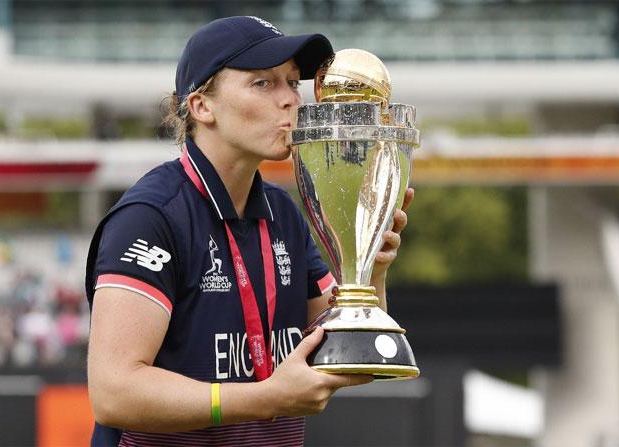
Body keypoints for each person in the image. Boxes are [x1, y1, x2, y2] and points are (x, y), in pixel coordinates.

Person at [85, 15, 413, 446]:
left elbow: (350, 354)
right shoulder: (151, 216)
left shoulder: (284, 213)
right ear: (202, 106)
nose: (290, 100)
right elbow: (114, 393)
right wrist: (264, 398)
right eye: (263, 83)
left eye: (292, 82)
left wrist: (371, 268)